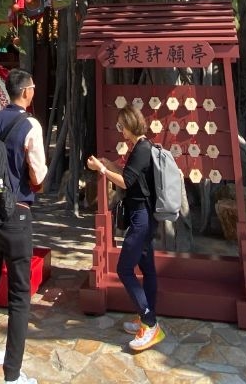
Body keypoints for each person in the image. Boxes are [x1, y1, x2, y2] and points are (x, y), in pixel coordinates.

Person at [0, 69, 47, 384]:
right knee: (19, 295)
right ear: (27, 92)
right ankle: (12, 375)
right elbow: (38, 173)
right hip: (17, 215)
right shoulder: (30, 125)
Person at [86, 104, 165, 353]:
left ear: (130, 124)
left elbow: (126, 182)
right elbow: (130, 174)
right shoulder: (140, 147)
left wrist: (102, 170)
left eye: (121, 125)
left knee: (124, 268)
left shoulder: (142, 148)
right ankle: (145, 318)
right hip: (142, 215)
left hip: (142, 217)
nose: (120, 130)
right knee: (147, 269)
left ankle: (150, 322)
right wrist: (109, 164)